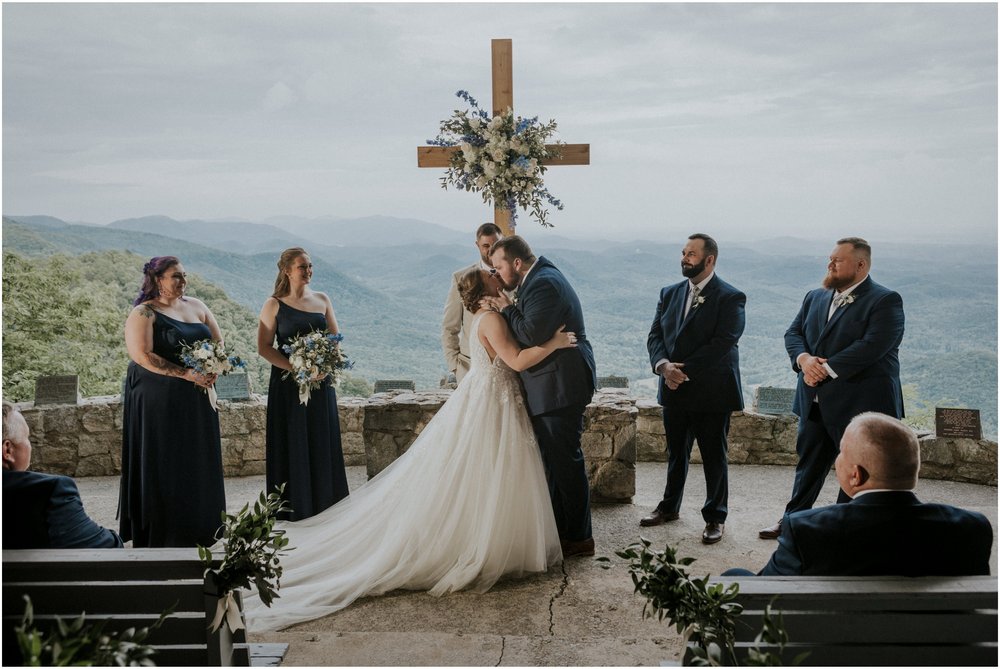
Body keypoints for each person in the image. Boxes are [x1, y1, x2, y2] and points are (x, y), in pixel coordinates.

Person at [242, 267, 575, 631]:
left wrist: (510, 304)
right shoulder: (491, 319)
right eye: (489, 273)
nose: (496, 273)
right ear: (483, 287)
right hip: (493, 402)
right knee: (489, 469)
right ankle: (480, 547)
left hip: (489, 397)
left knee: (484, 472)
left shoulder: (487, 314)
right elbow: (514, 361)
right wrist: (552, 345)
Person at [759, 238, 905, 540]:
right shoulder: (815, 296)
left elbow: (873, 346)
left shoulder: (885, 300)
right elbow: (793, 332)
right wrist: (804, 360)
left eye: (838, 260)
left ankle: (846, 529)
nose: (830, 264)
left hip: (860, 405)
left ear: (861, 265)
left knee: (857, 472)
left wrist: (823, 369)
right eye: (830, 258)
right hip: (814, 402)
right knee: (808, 466)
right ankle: (792, 522)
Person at [729, 413, 992, 576]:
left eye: (841, 452)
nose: (837, 459)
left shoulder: (806, 530)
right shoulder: (971, 528)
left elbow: (764, 595)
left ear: (856, 475)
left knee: (734, 576)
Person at [484, 235, 598, 558]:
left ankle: (579, 537)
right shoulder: (538, 278)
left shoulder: (543, 284)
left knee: (566, 462)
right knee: (555, 461)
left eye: (498, 267)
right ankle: (564, 531)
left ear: (516, 263)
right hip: (552, 386)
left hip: (559, 386)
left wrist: (506, 307)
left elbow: (531, 334)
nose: (496, 274)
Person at [641, 234, 745, 545]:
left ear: (709, 259)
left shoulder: (730, 297)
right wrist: (663, 366)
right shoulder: (669, 293)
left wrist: (680, 372)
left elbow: (723, 342)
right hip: (673, 388)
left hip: (711, 391)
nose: (685, 258)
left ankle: (716, 516)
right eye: (684, 252)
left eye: (692, 254)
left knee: (714, 457)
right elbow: (655, 335)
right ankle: (669, 507)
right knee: (676, 454)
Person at [119, 256, 226, 547]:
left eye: (184, 275)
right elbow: (142, 355)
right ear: (157, 279)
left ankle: (204, 526)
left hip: (197, 397)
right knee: (166, 460)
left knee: (197, 460)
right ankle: (167, 532)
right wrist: (185, 373)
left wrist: (214, 366)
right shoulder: (144, 313)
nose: (183, 281)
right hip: (159, 399)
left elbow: (218, 343)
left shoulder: (197, 306)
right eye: (175, 276)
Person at [257, 248, 349, 520]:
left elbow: (335, 341)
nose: (308, 271)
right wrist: (298, 369)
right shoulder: (274, 304)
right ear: (287, 270)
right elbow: (264, 347)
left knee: (322, 438)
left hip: (321, 384)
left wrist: (322, 367)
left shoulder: (322, 299)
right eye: (302, 267)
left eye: (310, 266)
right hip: (288, 385)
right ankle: (294, 506)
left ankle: (326, 503)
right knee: (292, 440)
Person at [3, 401, 122, 549]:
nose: (30, 445)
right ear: (7, 450)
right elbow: (105, 546)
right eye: (27, 438)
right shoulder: (49, 490)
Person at [442, 223, 503, 383]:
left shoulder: (512, 278)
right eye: (485, 246)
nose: (490, 250)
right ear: (477, 245)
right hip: (469, 366)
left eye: (495, 245)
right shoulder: (460, 278)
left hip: (505, 367)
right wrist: (454, 366)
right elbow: (449, 327)